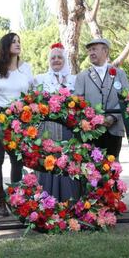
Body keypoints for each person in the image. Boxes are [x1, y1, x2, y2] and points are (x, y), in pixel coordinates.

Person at [0, 32, 34, 216]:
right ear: (5, 46)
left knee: (17, 159)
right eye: (13, 42)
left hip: (19, 117)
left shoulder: (26, 68)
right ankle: (0, 200)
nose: (18, 44)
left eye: (19, 41)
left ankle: (16, 198)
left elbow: (31, 96)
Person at [34, 42, 81, 202]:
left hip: (68, 130)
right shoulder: (39, 79)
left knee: (67, 160)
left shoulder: (74, 80)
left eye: (59, 57)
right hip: (47, 130)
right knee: (49, 162)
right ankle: (47, 201)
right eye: (53, 57)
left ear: (65, 60)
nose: (56, 60)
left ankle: (69, 200)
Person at [74, 38, 129, 158]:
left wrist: (112, 117)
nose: (91, 53)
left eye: (94, 49)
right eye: (89, 50)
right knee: (91, 170)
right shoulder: (82, 76)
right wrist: (93, 120)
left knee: (112, 168)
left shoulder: (120, 74)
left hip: (114, 130)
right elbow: (78, 102)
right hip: (91, 131)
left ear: (105, 51)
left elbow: (126, 98)